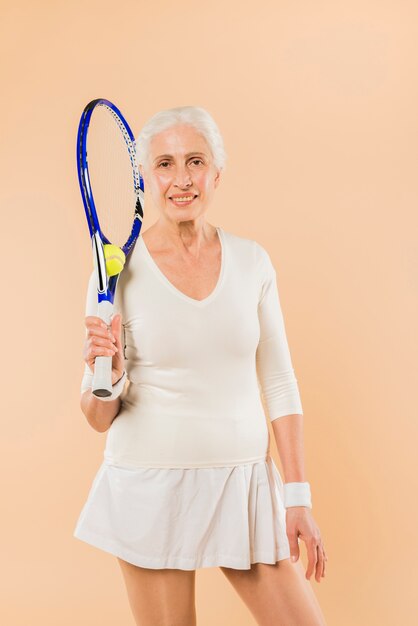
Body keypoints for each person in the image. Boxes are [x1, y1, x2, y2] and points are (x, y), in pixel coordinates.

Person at [73, 105, 328, 626]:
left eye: (195, 161)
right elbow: (98, 416)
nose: (182, 179)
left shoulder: (252, 261)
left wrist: (297, 497)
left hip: (246, 485)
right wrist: (111, 372)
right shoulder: (117, 271)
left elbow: (279, 381)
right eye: (165, 164)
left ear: (217, 173)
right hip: (150, 485)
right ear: (145, 178)